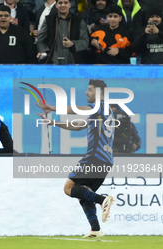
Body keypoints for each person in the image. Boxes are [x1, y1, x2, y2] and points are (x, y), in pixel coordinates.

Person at [37, 79, 115, 238]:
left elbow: (78, 110)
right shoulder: (105, 112)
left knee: (68, 188)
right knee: (84, 193)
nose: (86, 92)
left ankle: (102, 200)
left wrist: (52, 107)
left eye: (90, 89)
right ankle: (95, 229)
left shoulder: (100, 105)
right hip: (106, 160)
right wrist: (53, 122)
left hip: (95, 156)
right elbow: (79, 125)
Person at [36, 0, 89, 64]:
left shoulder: (79, 20)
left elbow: (85, 41)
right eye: (60, 3)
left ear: (70, 5)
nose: (63, 5)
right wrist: (44, 52)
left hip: (73, 61)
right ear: (56, 5)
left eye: (66, 3)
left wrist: (72, 44)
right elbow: (40, 40)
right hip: (52, 60)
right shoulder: (48, 20)